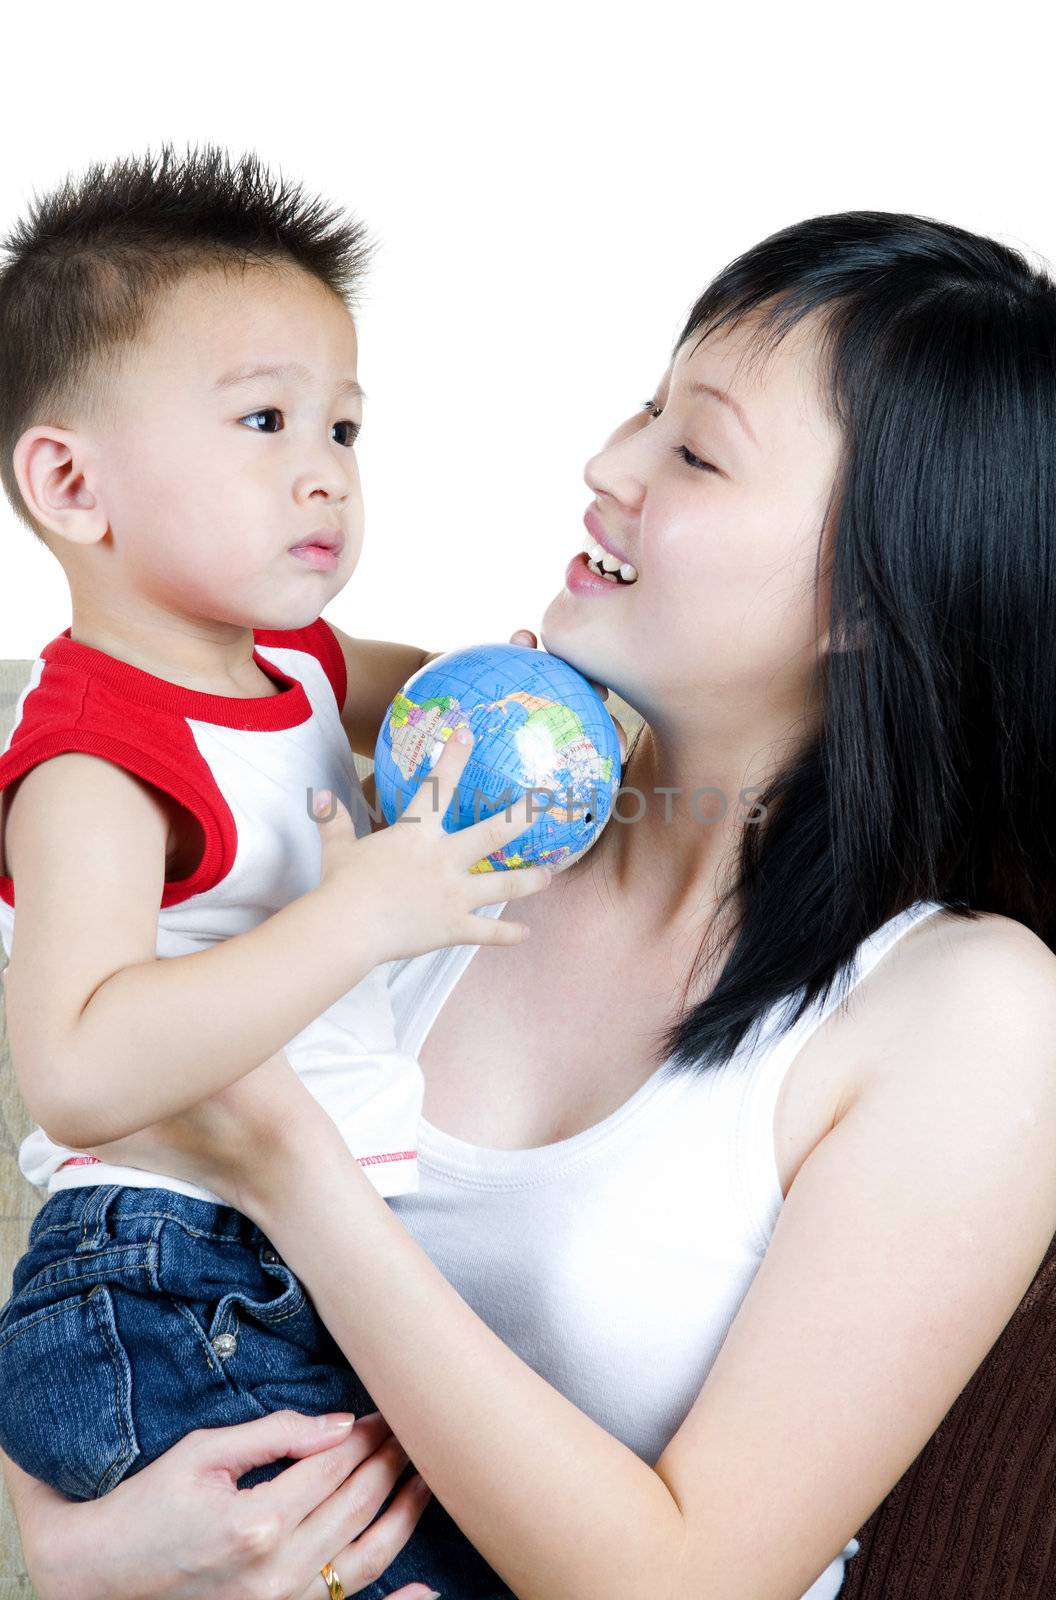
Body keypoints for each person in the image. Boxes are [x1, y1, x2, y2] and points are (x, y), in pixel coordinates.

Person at [5, 208, 1056, 1600]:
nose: (604, 465)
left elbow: (690, 1582)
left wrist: (296, 1175)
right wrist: (64, 1546)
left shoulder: (970, 1015)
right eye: (644, 403)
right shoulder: (442, 786)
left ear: (871, 591)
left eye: (693, 448)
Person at [0, 141, 554, 1511]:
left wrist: (540, 699)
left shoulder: (297, 658)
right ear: (73, 486)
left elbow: (424, 689)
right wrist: (350, 920)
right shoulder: (95, 760)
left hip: (300, 1251)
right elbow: (74, 1066)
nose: (322, 475)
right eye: (263, 423)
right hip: (164, 1277)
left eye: (342, 429)